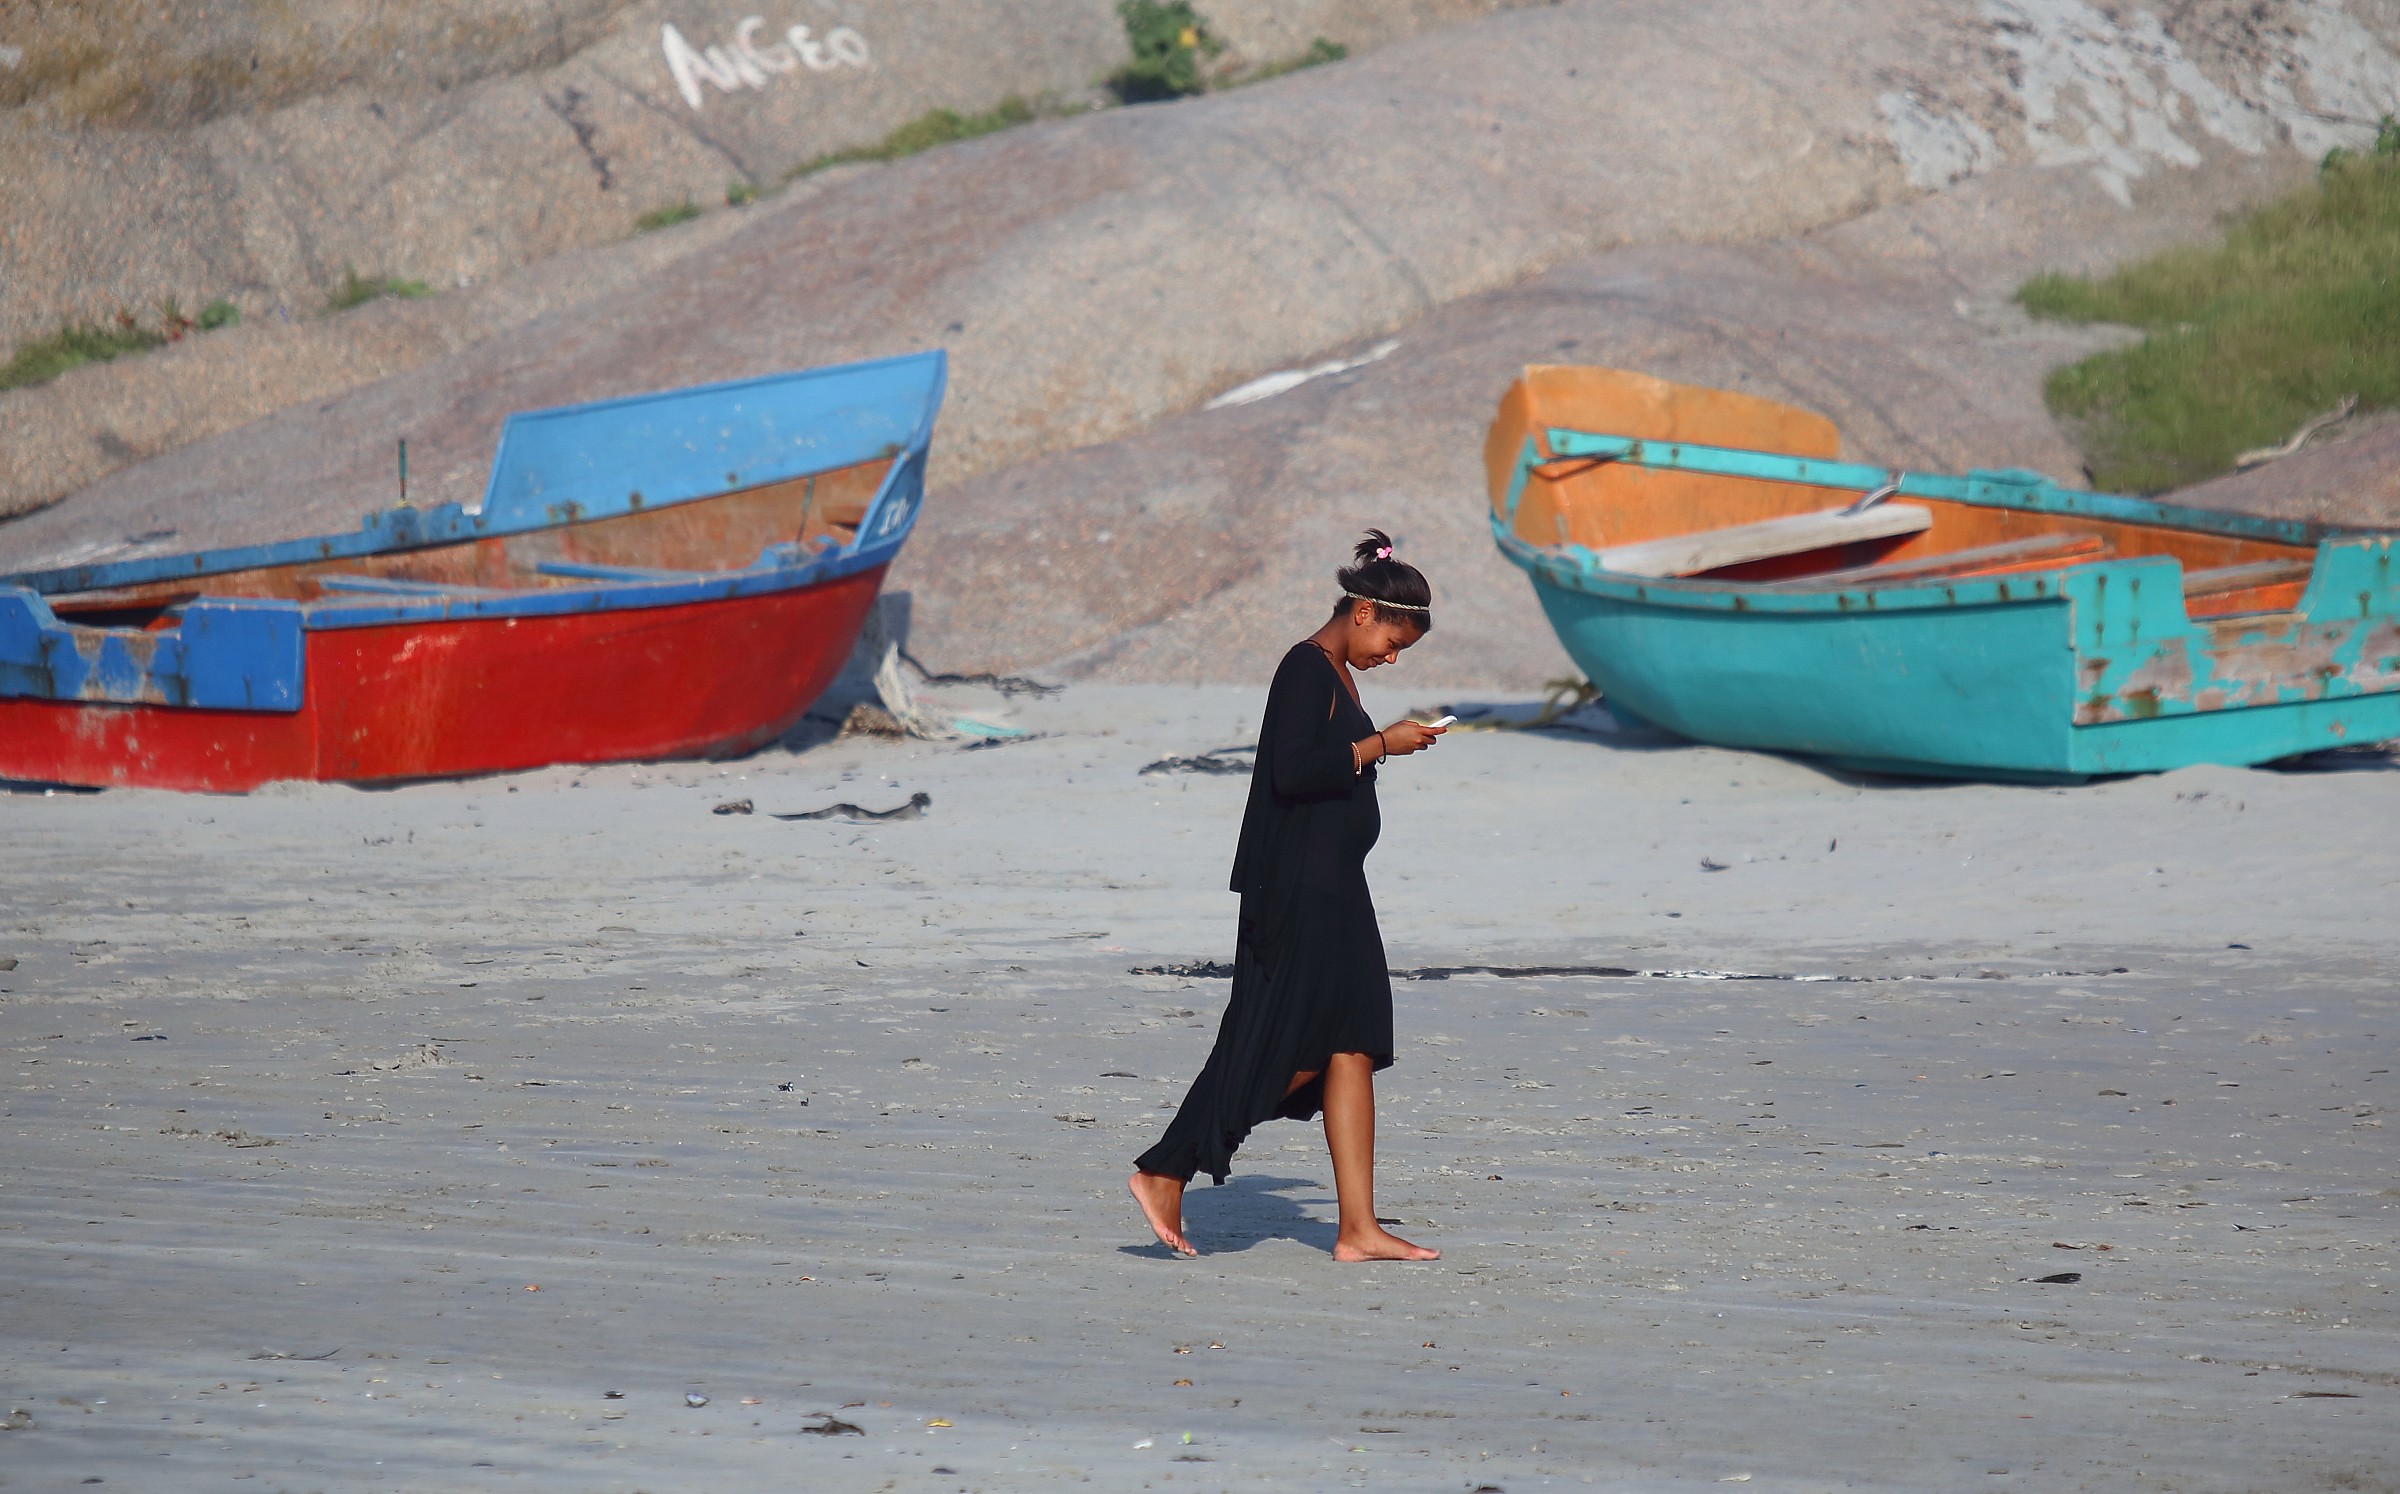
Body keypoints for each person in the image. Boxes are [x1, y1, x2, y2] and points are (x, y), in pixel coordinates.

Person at [1129, 530, 1446, 1261]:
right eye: (1392, 643)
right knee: (1281, 1046)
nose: (1392, 659)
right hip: (1299, 893)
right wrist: (1380, 747)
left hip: (1337, 888)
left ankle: (1357, 1229)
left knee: (1354, 1044)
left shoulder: (1338, 674)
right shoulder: (1304, 669)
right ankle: (1166, 1166)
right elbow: (1292, 773)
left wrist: (1378, 749)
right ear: (1363, 613)